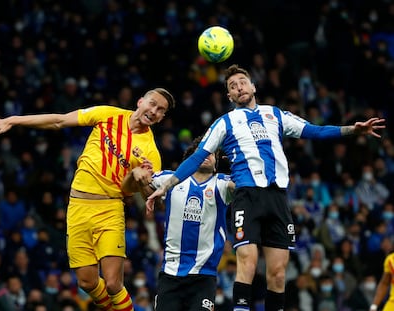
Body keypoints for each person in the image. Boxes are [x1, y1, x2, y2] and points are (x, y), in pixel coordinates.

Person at [146, 64, 386, 311]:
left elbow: (315, 131)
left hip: (277, 198)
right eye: (232, 86)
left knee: (278, 274)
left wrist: (352, 130)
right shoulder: (225, 122)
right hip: (247, 195)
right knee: (248, 262)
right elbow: (197, 157)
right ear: (229, 96)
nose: (238, 87)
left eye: (242, 82)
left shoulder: (276, 115)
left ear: (253, 86)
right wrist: (169, 185)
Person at [0, 87, 175, 311]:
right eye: (152, 103)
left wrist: (140, 180)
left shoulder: (150, 152)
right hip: (77, 206)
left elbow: (150, 196)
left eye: (161, 110)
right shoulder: (108, 114)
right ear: (141, 101)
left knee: (112, 283)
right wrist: (15, 120)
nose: (154, 110)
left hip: (109, 209)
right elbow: (60, 121)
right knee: (87, 282)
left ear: (161, 118)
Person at [122, 136, 235, 311]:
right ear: (191, 159)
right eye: (202, 152)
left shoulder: (222, 183)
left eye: (212, 154)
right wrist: (135, 174)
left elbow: (245, 186)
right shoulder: (170, 180)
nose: (207, 156)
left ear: (216, 164)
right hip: (171, 274)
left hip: (204, 276)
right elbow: (128, 187)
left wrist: (240, 161)